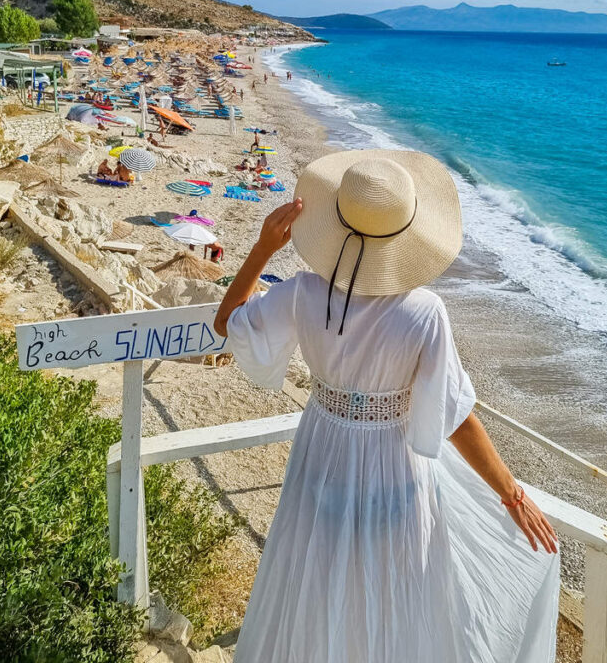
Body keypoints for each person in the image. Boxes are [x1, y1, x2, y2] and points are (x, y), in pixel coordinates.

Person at [214, 150, 559, 663]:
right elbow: (456, 416)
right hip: (394, 469)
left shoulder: (304, 292)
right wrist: (511, 493)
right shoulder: (424, 312)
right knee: (397, 593)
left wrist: (264, 248)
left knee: (318, 582)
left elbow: (228, 323)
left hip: (322, 455)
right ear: (407, 235)